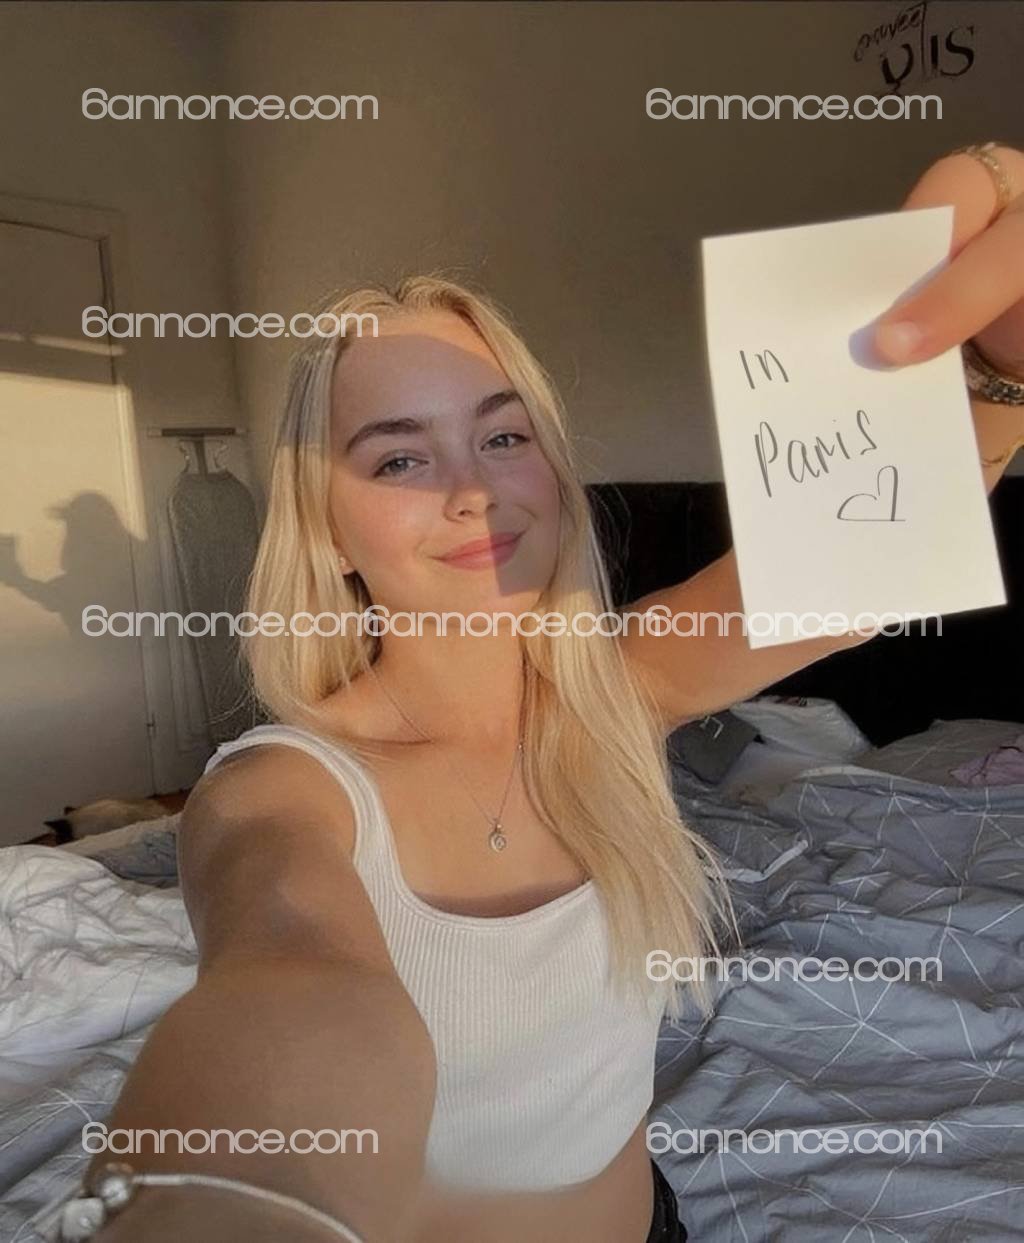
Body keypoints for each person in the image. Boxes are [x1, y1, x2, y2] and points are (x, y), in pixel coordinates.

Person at [78, 144, 1024, 1243]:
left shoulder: (620, 687)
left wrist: (998, 372)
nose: (474, 489)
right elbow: (289, 986)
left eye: (502, 435)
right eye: (398, 459)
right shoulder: (282, 791)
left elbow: (868, 554)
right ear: (326, 532)